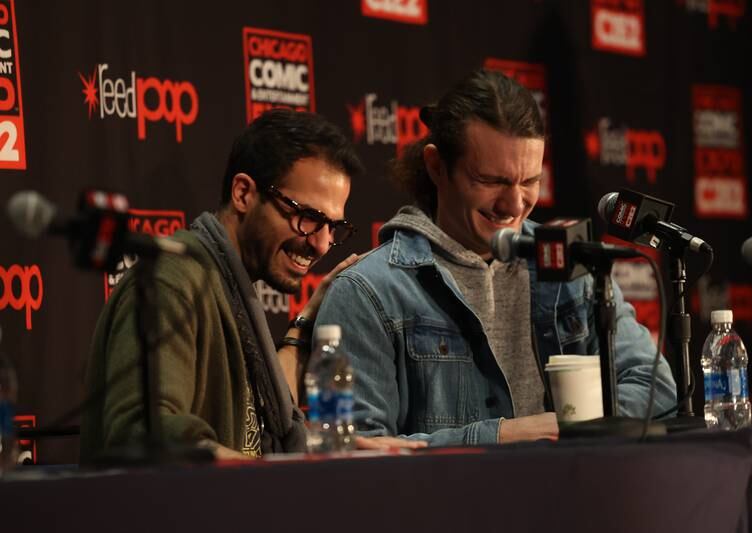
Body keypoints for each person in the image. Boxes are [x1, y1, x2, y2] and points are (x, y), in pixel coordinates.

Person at [314, 69, 677, 446]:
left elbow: (654, 388)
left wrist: (566, 426)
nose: (514, 204)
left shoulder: (571, 263)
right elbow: (352, 450)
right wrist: (500, 436)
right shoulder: (369, 292)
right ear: (437, 167)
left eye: (529, 181)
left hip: (572, 498)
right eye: (492, 181)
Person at [81, 109, 365, 461]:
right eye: (308, 218)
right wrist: (277, 479)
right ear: (244, 193)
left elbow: (256, 416)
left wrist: (304, 325)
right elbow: (144, 433)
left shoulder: (228, 284)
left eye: (333, 228)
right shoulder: (173, 281)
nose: (322, 244)